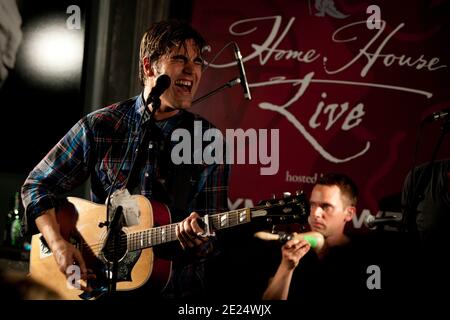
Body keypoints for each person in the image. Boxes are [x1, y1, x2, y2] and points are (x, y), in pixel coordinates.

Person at [21, 20, 229, 300]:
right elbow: (36, 186)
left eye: (198, 61)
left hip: (173, 291)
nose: (192, 70)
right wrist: (59, 244)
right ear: (148, 67)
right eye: (180, 58)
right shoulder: (101, 125)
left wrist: (198, 238)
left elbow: (213, 238)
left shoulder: (207, 140)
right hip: (99, 289)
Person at [262, 173, 373, 301]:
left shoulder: (363, 255)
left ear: (349, 213)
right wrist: (286, 268)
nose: (315, 213)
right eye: (313, 205)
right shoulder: (290, 249)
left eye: (326, 207)